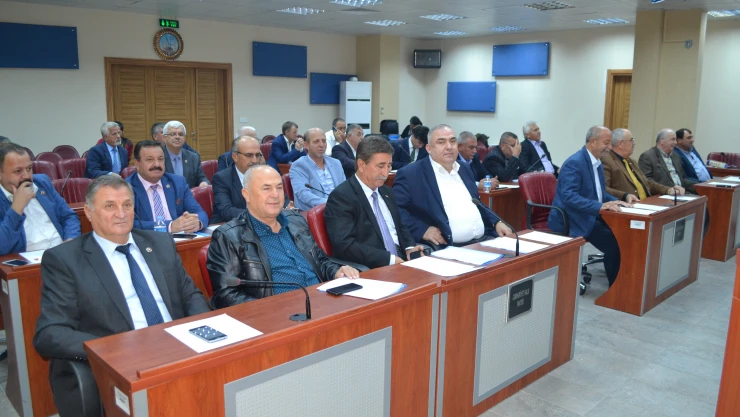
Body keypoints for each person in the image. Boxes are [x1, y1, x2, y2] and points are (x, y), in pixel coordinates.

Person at [33, 175, 209, 416]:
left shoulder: (160, 243)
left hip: (179, 350)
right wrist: (113, 351)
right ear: (89, 212)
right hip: (125, 366)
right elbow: (50, 333)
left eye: (127, 205)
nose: (121, 213)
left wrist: (202, 334)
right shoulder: (65, 260)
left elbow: (190, 296)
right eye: (110, 206)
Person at [206, 165, 359, 308]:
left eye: (279, 188)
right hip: (279, 313)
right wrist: (272, 309)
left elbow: (320, 261)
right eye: (266, 188)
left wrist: (336, 271)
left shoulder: (296, 221)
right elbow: (225, 295)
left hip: (322, 301)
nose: (275, 195)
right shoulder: (228, 237)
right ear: (247, 195)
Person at [393, 124, 513, 248]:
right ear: (429, 148)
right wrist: (422, 230)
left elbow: (476, 203)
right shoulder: (411, 174)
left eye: (452, 141)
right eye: (441, 142)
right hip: (448, 247)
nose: (449, 147)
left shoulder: (464, 168)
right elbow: (396, 210)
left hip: (483, 240)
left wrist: (496, 222)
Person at [548, 126, 631, 287]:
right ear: (592, 141)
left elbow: (599, 193)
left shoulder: (597, 162)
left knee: (625, 235)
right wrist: (600, 206)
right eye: (606, 143)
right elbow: (569, 197)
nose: (609, 147)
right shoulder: (575, 163)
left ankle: (624, 284)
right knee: (615, 244)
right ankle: (616, 290)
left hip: (591, 213)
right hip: (574, 218)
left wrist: (617, 201)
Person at [325, 137, 424, 269]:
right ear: (361, 165)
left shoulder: (386, 191)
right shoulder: (341, 197)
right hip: (373, 266)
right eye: (380, 166)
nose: (386, 172)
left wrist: (409, 247)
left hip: (402, 260)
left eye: (389, 166)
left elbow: (400, 226)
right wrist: (389, 259)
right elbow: (345, 245)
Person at [0, 143, 80, 255]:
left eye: (29, 169)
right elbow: (2, 247)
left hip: (62, 255)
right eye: (18, 171)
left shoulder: (42, 182)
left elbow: (68, 216)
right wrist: (17, 208)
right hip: (29, 262)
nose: (27, 176)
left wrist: (70, 240)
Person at [126, 140, 208, 232]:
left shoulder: (178, 182)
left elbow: (200, 213)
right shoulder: (126, 188)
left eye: (160, 159)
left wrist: (196, 223)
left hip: (180, 237)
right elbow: (129, 223)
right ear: (137, 164)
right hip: (147, 239)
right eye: (150, 160)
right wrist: (169, 226)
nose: (157, 164)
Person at [603, 128, 683, 202]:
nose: (634, 143)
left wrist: (667, 190)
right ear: (620, 144)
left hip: (646, 202)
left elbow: (646, 183)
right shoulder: (607, 161)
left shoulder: (631, 161)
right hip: (628, 205)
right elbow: (603, 189)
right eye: (631, 140)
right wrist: (625, 196)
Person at [290, 128, 346, 211]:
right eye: (316, 141)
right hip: (315, 212)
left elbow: (345, 189)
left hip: (340, 209)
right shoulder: (299, 165)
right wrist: (331, 203)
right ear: (306, 145)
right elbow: (303, 194)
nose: (321, 145)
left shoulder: (336, 163)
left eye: (324, 141)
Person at [212, 136, 263, 223]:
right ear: (235, 157)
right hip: (230, 226)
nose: (255, 160)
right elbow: (226, 211)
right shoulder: (221, 178)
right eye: (249, 155)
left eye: (258, 155)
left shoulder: (264, 175)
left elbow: (281, 199)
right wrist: (259, 216)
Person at [638, 129, 699, 194]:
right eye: (673, 139)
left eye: (675, 140)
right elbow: (646, 181)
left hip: (682, 193)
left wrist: (700, 186)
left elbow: (682, 179)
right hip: (662, 195)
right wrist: (667, 190)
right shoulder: (648, 156)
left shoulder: (676, 156)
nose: (675, 142)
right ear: (662, 140)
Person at [161, 121, 209, 189]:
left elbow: (201, 177)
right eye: (172, 134)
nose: (177, 137)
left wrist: (204, 182)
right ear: (164, 138)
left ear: (185, 138)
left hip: (189, 194)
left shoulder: (193, 157)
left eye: (181, 134)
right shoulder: (158, 157)